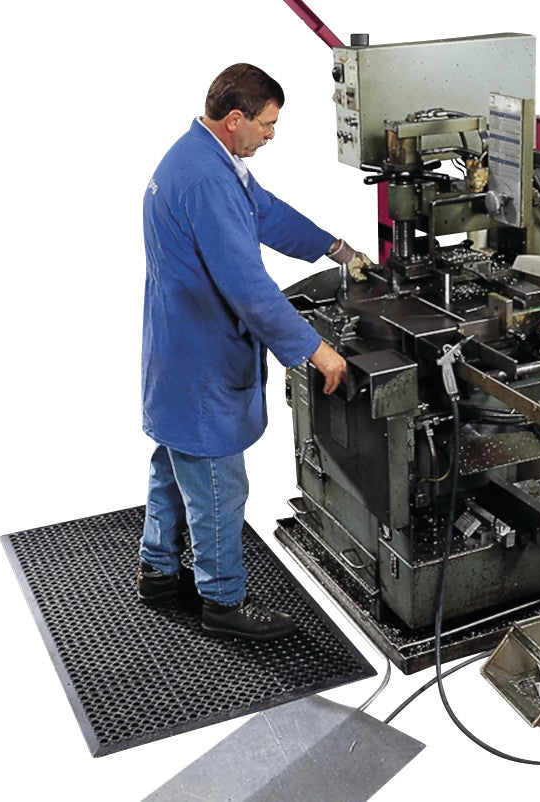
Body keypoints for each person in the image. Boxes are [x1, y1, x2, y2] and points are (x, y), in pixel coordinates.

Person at [136, 63, 371, 641]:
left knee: (175, 462)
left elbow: (264, 213)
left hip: (176, 348)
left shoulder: (205, 159)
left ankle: (159, 570)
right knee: (219, 483)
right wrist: (316, 351)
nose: (272, 134)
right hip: (202, 358)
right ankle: (223, 602)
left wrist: (334, 249)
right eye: (266, 124)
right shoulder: (209, 181)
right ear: (235, 118)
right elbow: (247, 285)